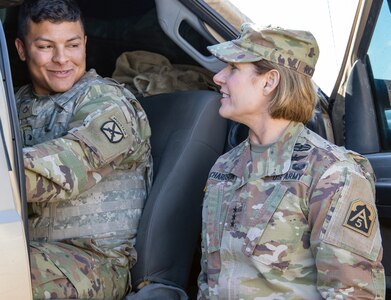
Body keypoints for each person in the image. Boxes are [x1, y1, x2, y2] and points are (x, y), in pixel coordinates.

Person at [198, 23, 385, 299]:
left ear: (269, 81)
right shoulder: (224, 168)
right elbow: (209, 278)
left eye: (234, 68)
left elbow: (354, 294)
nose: (218, 77)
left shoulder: (331, 173)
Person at [14, 0, 152, 299]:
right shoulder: (16, 102)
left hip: (93, 263)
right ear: (22, 49)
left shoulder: (107, 102)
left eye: (72, 45)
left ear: (85, 44)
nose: (62, 58)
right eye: (46, 46)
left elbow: (69, 167)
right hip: (28, 246)